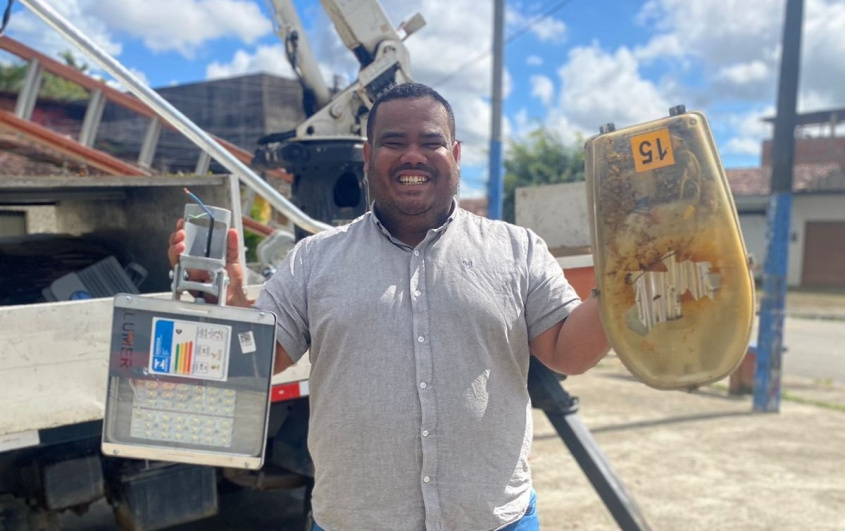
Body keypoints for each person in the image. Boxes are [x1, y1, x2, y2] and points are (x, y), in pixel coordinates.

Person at [168, 82, 610, 531]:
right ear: (367, 156)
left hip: (495, 520)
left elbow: (567, 352)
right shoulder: (313, 259)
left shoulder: (517, 249)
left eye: (431, 142)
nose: (412, 156)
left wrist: (624, 274)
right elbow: (260, 361)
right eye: (393, 143)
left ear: (455, 154)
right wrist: (223, 304)